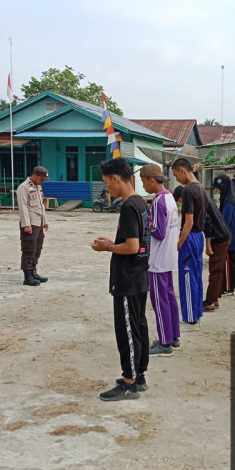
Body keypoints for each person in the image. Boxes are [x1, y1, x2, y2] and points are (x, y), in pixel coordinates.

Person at [91, 158, 150, 401]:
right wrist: (113, 243)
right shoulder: (140, 202)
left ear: (116, 179)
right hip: (139, 276)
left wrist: (107, 247)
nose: (107, 188)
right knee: (138, 326)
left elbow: (132, 246)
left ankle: (129, 382)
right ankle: (139, 376)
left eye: (107, 183)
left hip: (128, 279)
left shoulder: (128, 206)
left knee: (127, 331)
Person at [140, 164, 180, 357]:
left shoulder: (157, 202)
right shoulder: (170, 197)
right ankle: (173, 336)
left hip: (158, 260)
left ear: (151, 180)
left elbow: (159, 232)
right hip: (169, 256)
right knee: (169, 297)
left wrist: (146, 225)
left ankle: (164, 343)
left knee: (159, 301)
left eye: (143, 182)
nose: (143, 186)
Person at [171, 158, 207, 326]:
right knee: (197, 275)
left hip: (190, 236)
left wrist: (178, 244)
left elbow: (189, 222)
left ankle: (190, 316)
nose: (177, 179)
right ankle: (197, 311)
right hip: (199, 236)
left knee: (187, 276)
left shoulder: (188, 191)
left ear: (182, 170)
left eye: (176, 175)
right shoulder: (201, 187)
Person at [16, 166, 50, 287]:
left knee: (37, 248)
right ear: (35, 175)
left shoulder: (37, 187)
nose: (43, 181)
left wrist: (45, 220)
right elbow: (23, 207)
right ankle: (27, 276)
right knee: (29, 249)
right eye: (41, 179)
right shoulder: (23, 187)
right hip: (30, 224)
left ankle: (33, 272)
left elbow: (41, 205)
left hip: (38, 223)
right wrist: (26, 225)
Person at [212, 174, 235, 295]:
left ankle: (229, 287)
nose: (217, 191)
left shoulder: (229, 202)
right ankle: (228, 286)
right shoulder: (230, 198)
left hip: (230, 238)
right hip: (231, 236)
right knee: (230, 262)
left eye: (218, 188)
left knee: (229, 263)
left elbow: (225, 221)